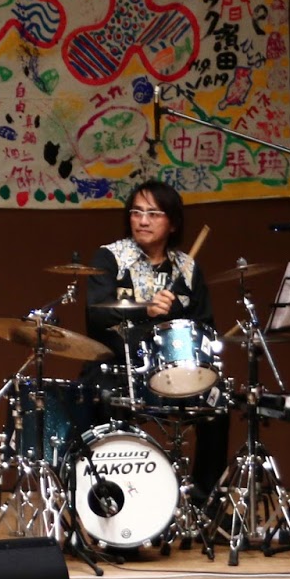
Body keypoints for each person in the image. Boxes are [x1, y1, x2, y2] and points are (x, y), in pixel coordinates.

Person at [83, 180, 229, 512]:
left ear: (172, 223)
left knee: (217, 401)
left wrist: (178, 316)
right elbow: (96, 316)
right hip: (118, 365)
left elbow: (205, 326)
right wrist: (144, 309)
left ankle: (204, 504)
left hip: (171, 368)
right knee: (100, 392)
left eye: (153, 213)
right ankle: (112, 499)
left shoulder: (187, 269)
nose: (142, 220)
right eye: (136, 212)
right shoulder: (110, 258)